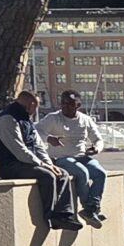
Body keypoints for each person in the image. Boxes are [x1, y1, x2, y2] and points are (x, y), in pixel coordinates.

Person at [0, 85, 82, 228]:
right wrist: (44, 165)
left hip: (28, 162)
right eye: (37, 106)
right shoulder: (7, 119)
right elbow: (19, 150)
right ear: (31, 104)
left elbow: (38, 145)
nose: (36, 110)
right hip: (10, 165)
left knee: (62, 173)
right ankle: (50, 215)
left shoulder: (25, 119)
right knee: (47, 175)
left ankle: (64, 215)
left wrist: (49, 164)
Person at [39, 89, 109, 227]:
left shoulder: (85, 119)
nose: (66, 106)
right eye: (63, 103)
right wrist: (49, 138)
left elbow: (98, 139)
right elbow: (35, 130)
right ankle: (88, 210)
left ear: (78, 105)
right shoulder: (53, 118)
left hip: (81, 156)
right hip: (60, 158)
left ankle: (92, 208)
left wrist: (96, 148)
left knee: (100, 173)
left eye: (70, 104)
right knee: (82, 172)